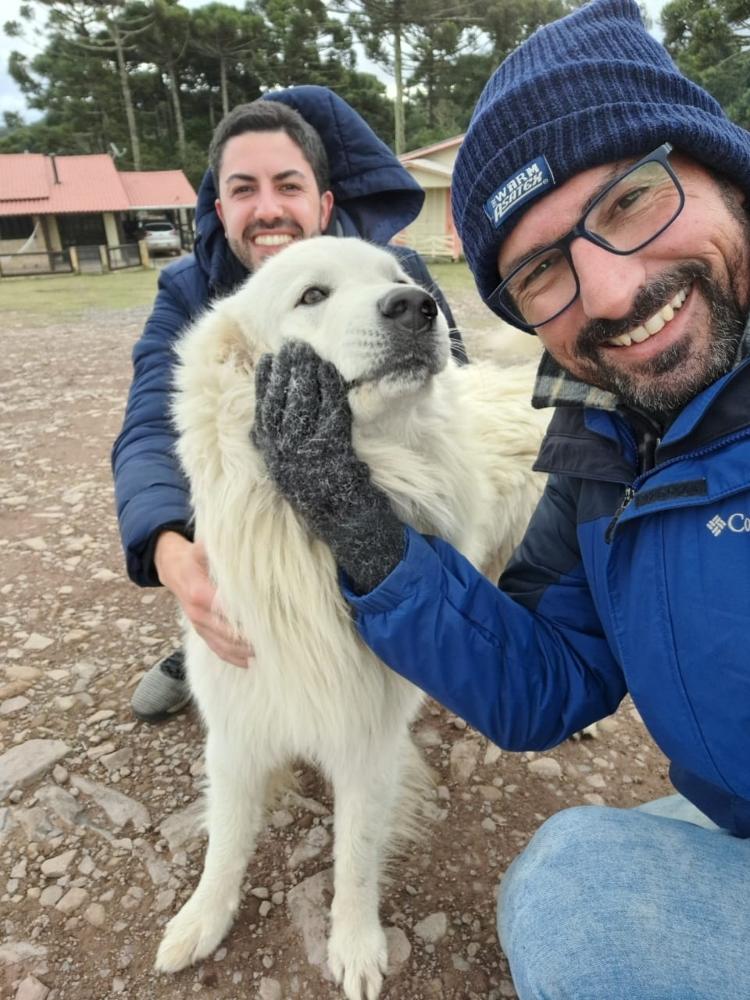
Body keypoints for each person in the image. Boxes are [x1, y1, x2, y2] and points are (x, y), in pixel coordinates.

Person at [250, 1, 750, 996]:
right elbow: (545, 680)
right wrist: (364, 532)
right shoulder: (607, 451)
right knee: (567, 877)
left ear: (724, 169)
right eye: (541, 270)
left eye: (630, 200)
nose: (610, 293)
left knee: (573, 908)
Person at [112, 86, 465, 723]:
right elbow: (148, 423)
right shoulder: (189, 290)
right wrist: (170, 552)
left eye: (288, 185)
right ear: (221, 209)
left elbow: (449, 386)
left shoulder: (395, 270)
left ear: (323, 202)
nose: (268, 208)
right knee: (221, 517)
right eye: (245, 189)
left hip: (376, 496)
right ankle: (214, 632)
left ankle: (414, 643)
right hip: (257, 518)